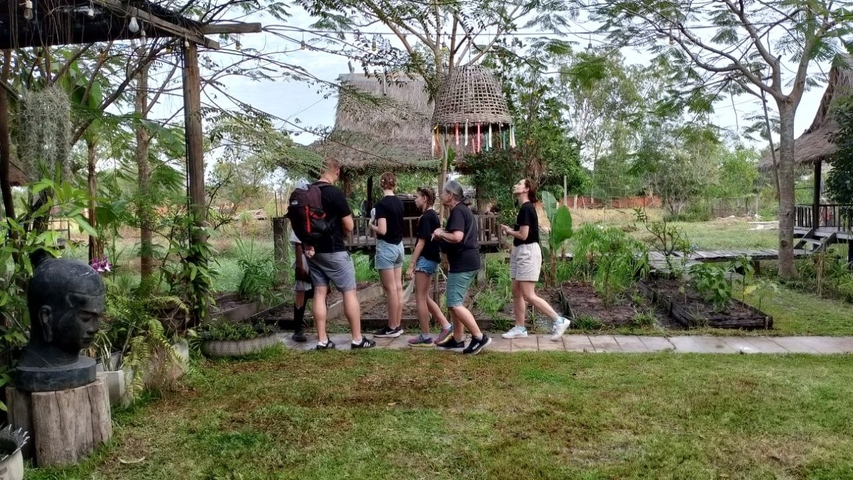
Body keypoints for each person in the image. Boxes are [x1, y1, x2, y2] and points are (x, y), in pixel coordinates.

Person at [306, 158, 375, 350]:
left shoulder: (308, 192)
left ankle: (322, 339)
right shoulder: (334, 193)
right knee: (349, 292)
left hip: (313, 251)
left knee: (319, 292)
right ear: (336, 171)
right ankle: (357, 338)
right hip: (334, 250)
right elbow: (350, 225)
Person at [500, 178, 571, 341]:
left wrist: (509, 232)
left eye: (519, 183)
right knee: (516, 291)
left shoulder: (526, 208)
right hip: (520, 251)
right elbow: (523, 233)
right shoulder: (524, 208)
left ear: (526, 189)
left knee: (528, 294)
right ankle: (520, 328)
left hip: (528, 252)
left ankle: (559, 320)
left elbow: (524, 235)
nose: (516, 185)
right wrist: (511, 230)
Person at [432, 180, 491, 355]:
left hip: (463, 263)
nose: (440, 195)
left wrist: (440, 233)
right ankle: (457, 339)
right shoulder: (462, 210)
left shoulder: (458, 211)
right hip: (464, 261)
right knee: (453, 304)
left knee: (455, 304)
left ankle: (479, 337)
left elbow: (457, 237)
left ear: (451, 195)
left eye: (443, 192)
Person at [406, 187, 453, 346]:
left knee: (419, 297)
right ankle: (446, 326)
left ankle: (425, 336)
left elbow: (421, 243)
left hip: (425, 260)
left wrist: (411, 265)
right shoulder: (431, 216)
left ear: (425, 198)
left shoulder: (427, 217)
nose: (415, 199)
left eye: (417, 197)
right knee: (424, 297)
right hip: (431, 259)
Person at [369, 172, 405, 338]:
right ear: (394, 184)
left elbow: (382, 230)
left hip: (386, 247)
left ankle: (391, 327)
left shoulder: (381, 205)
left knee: (390, 289)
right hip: (399, 247)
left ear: (381, 184)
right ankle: (397, 324)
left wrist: (371, 225)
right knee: (398, 288)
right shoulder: (399, 202)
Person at [283, 179, 313, 343]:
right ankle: (298, 329)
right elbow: (297, 245)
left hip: (312, 259)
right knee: (301, 293)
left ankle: (313, 328)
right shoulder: (299, 217)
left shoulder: (307, 213)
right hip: (304, 261)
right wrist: (300, 269)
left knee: (315, 292)